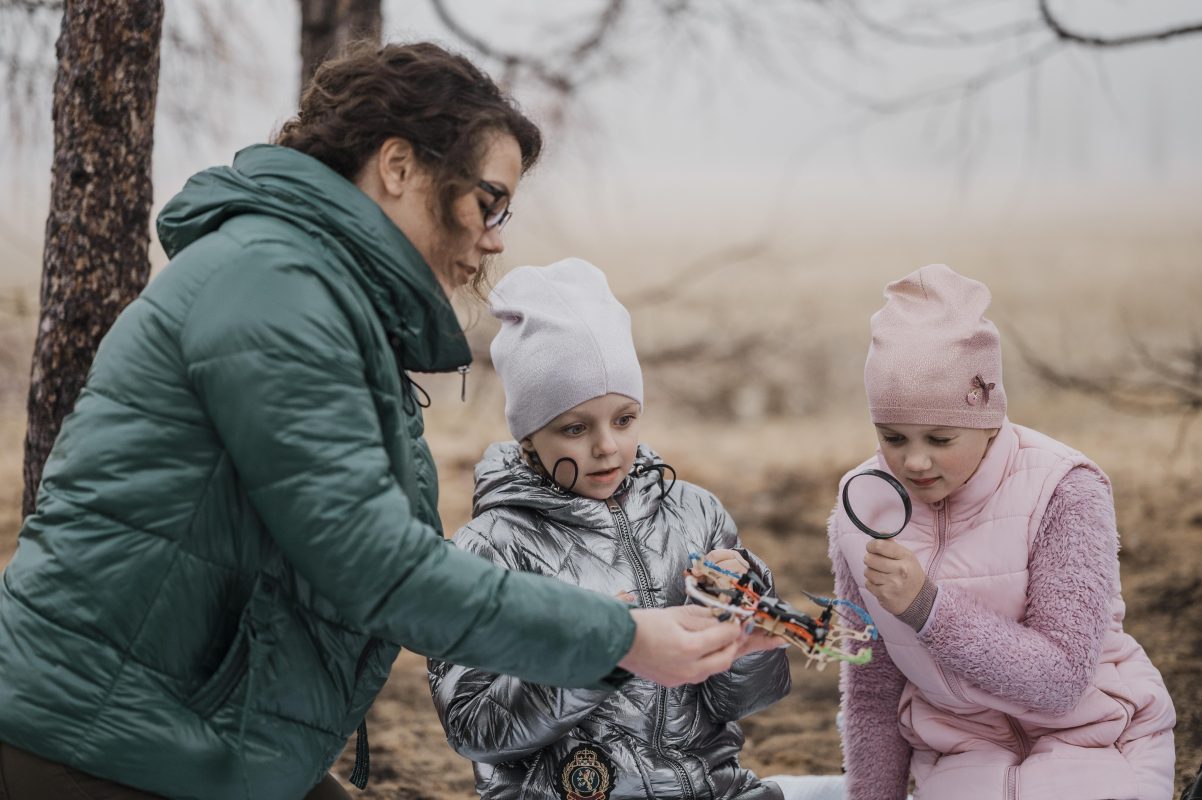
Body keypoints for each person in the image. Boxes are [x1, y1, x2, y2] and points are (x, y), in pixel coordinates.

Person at [0, 43, 747, 800]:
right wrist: (617, 639)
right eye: (487, 201)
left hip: (180, 731)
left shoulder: (315, 289)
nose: (494, 236)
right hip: (96, 748)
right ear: (398, 168)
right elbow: (377, 567)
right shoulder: (272, 286)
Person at [428, 258, 846, 800]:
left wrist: (748, 620)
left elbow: (745, 701)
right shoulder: (490, 548)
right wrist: (605, 647)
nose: (607, 446)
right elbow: (474, 728)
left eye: (624, 419)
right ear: (529, 436)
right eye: (575, 428)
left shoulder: (695, 513)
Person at [827, 264, 1177, 800]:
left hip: (1097, 739)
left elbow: (1060, 683)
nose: (914, 461)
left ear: (989, 416)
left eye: (941, 439)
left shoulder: (1065, 489)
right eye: (893, 436)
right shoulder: (861, 505)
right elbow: (873, 692)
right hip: (960, 755)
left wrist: (926, 607)